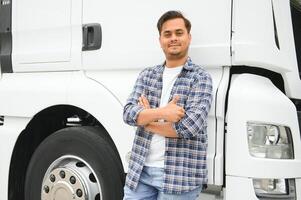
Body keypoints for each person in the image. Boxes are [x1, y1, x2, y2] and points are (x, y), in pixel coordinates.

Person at [123, 10, 213, 200]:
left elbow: (189, 127)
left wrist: (146, 118)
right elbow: (129, 113)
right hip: (140, 172)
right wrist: (164, 112)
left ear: (189, 37)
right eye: (167, 34)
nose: (173, 38)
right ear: (160, 40)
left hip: (179, 176)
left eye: (179, 33)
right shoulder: (147, 75)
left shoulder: (200, 78)